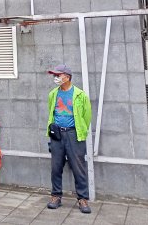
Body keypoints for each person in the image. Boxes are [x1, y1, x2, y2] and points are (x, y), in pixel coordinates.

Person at [46, 64, 92, 214]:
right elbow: (51, 112)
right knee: (56, 166)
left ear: (67, 76)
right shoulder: (53, 94)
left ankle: (83, 198)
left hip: (74, 134)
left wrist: (81, 131)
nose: (56, 78)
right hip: (57, 134)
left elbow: (87, 116)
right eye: (55, 75)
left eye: (58, 75)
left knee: (78, 166)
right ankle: (56, 196)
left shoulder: (80, 95)